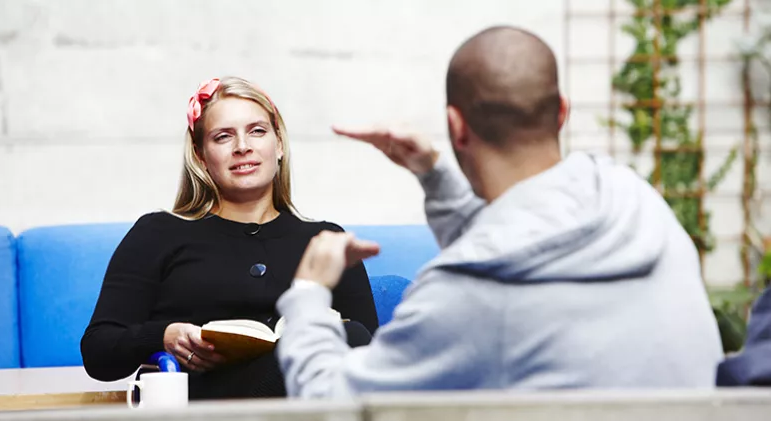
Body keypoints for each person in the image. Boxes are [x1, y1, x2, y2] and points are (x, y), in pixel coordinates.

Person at [274, 25, 724, 399]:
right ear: (562, 111)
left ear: (456, 126)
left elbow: (327, 401)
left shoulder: (465, 293)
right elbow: (521, 242)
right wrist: (434, 175)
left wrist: (309, 293)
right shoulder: (631, 196)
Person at [80, 76, 379, 400]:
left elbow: (372, 356)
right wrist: (164, 336)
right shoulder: (158, 232)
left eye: (257, 131)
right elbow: (98, 351)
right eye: (223, 137)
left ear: (279, 145)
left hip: (305, 406)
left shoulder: (326, 240)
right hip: (204, 404)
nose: (242, 147)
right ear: (200, 156)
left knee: (349, 337)